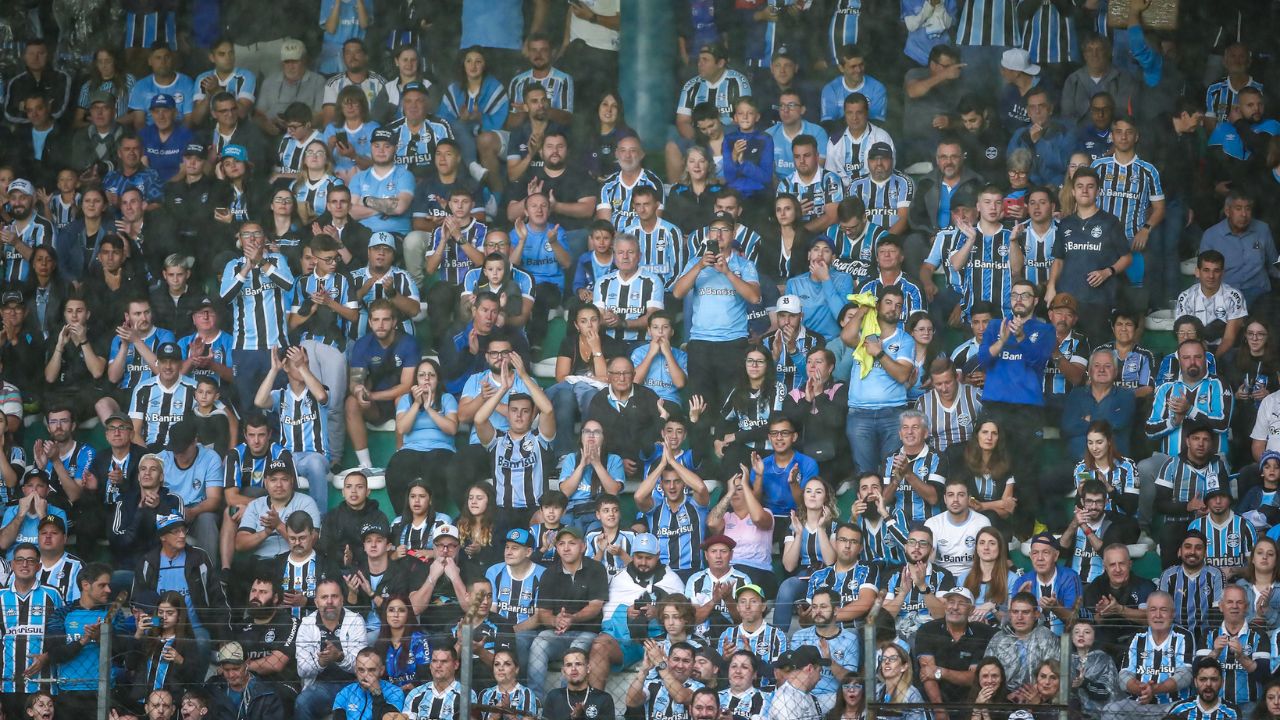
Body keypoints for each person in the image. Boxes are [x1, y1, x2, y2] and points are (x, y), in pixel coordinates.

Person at [1103, 591, 1195, 720]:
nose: (1158, 615)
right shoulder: (1137, 637)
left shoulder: (1183, 636)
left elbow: (1185, 675)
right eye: (1153, 610)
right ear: (1147, 613)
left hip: (1172, 705)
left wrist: (1156, 689)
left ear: (1172, 613)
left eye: (1163, 610)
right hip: (1138, 703)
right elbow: (1124, 675)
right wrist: (1141, 689)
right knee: (1112, 710)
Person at [0, 542, 62, 714]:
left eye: (30, 560)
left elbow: (61, 637)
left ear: (39, 566)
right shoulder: (1, 597)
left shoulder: (52, 595)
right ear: (12, 565)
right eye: (19, 560)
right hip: (8, 685)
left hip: (44, 686)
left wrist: (47, 657)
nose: (24, 564)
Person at [295, 577, 368, 720]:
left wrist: (339, 657)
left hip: (354, 685)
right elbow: (302, 670)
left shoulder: (355, 621)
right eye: (324, 597)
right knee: (302, 702)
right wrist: (321, 662)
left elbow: (363, 666)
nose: (329, 601)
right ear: (316, 602)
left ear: (342, 599)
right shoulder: (307, 624)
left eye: (334, 596)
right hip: (320, 686)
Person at [1200, 192, 1278, 305]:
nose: (1244, 214)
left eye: (1248, 209)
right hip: (1225, 295)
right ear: (1227, 211)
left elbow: (1274, 264)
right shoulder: (1211, 235)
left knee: (1260, 320)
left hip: (1259, 294)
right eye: (1238, 208)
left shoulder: (1262, 230)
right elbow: (1204, 273)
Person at [984, 591, 1061, 698]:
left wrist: (1031, 695)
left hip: (1040, 699)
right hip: (1002, 699)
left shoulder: (1047, 637)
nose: (1019, 617)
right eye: (1015, 612)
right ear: (1010, 614)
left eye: (1025, 612)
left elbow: (1054, 674)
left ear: (1036, 614)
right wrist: (1005, 696)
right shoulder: (998, 638)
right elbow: (987, 672)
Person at [925, 478, 991, 577]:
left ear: (969, 499)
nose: (955, 499)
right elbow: (928, 559)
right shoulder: (932, 523)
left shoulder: (982, 522)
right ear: (945, 499)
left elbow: (988, 559)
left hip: (973, 577)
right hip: (941, 578)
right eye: (951, 495)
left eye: (961, 495)